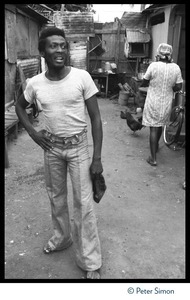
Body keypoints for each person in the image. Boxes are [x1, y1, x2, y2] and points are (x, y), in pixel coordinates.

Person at [15, 27, 104, 279]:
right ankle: (62, 237)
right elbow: (21, 107)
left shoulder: (82, 77)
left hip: (78, 149)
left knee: (84, 204)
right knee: (56, 198)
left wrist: (96, 158)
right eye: (54, 46)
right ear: (42, 51)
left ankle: (90, 260)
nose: (60, 50)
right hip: (52, 148)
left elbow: (96, 118)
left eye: (63, 46)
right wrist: (33, 132)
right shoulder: (35, 83)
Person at [141, 43, 183, 166]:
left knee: (153, 128)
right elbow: (179, 86)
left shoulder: (153, 66)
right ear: (170, 54)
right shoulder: (176, 68)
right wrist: (171, 86)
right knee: (159, 125)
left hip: (153, 100)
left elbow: (144, 81)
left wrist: (149, 83)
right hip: (166, 102)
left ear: (159, 54)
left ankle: (153, 158)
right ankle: (156, 146)